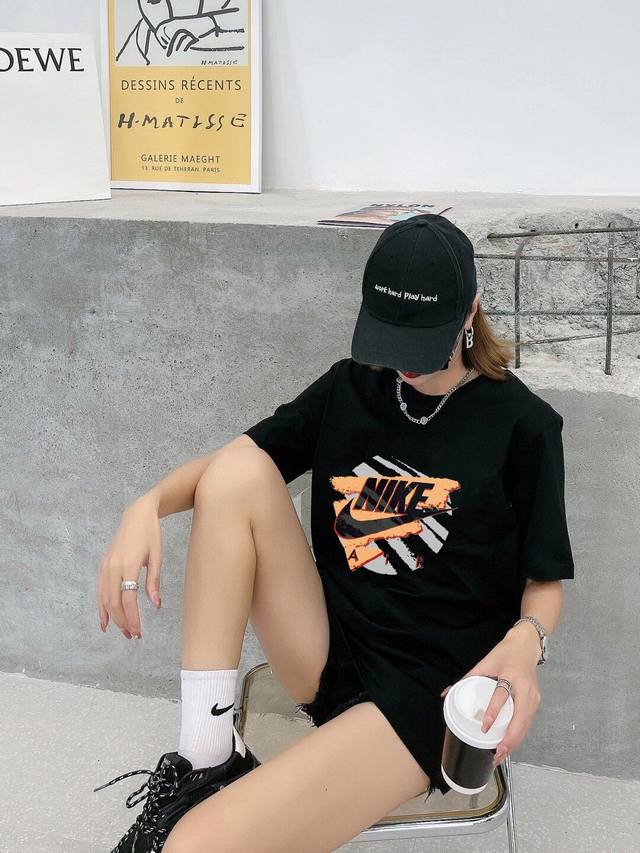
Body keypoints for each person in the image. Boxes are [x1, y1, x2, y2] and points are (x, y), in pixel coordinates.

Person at [94, 213, 575, 852]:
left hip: (427, 692)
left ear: (470, 312)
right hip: (330, 647)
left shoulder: (524, 425)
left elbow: (546, 578)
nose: (401, 364)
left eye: (419, 345)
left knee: (192, 846)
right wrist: (146, 505)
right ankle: (204, 759)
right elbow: (233, 466)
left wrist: (526, 642)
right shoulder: (349, 388)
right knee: (238, 472)